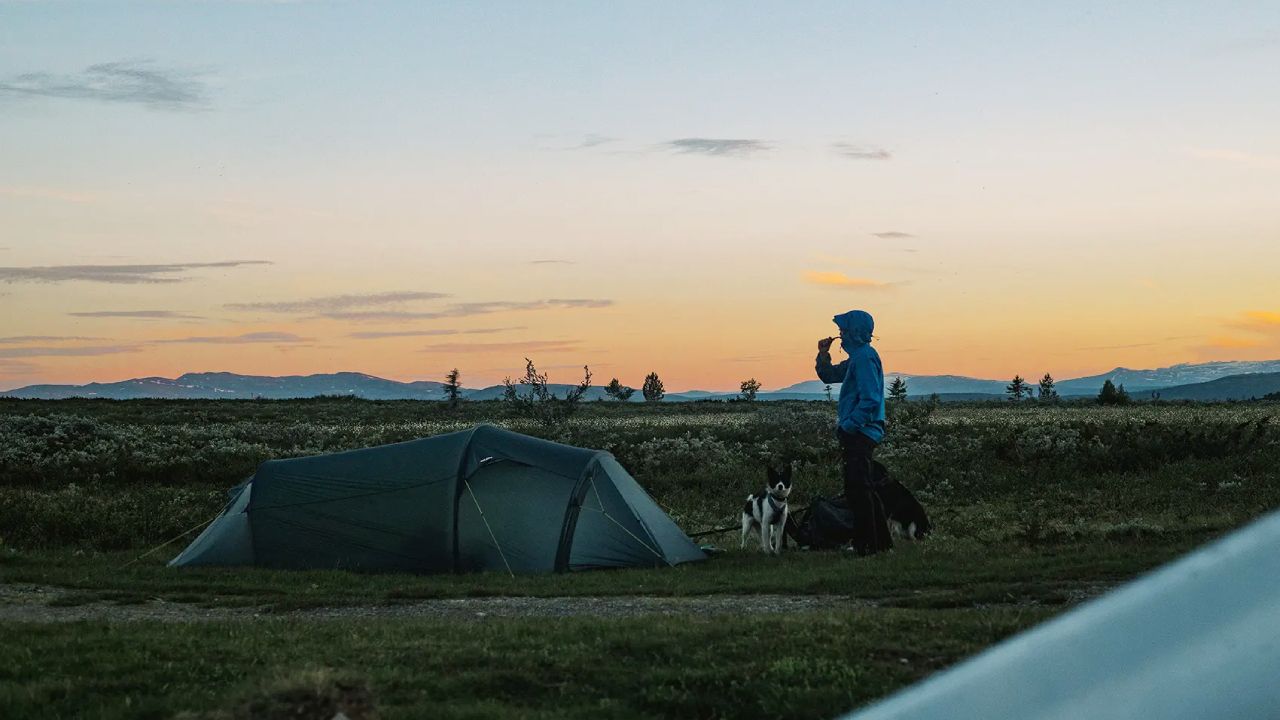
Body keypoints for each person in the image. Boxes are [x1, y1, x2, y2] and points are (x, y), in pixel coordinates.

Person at [815, 309, 893, 555]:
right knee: (862, 488)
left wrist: (849, 426)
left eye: (844, 330)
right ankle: (880, 543)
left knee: (858, 490)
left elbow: (869, 400)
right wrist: (822, 354)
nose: (840, 334)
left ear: (855, 333)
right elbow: (829, 376)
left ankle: (867, 545)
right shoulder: (858, 358)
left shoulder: (864, 358)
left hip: (860, 432)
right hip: (860, 431)